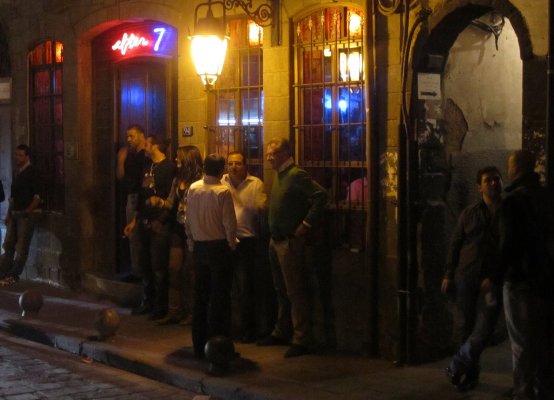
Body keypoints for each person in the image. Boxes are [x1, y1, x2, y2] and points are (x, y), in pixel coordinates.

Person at [258, 137, 328, 358]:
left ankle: (301, 338)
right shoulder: (279, 175)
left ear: (285, 154)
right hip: (275, 239)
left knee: (294, 290)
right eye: (268, 153)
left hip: (289, 241)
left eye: (273, 153)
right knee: (280, 289)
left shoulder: (296, 175)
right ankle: (282, 330)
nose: (269, 157)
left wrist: (305, 225)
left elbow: (321, 196)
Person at [494, 150, 554, 400]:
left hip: (520, 280)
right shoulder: (546, 196)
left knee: (520, 343)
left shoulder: (512, 201)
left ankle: (523, 393)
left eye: (509, 165)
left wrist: (495, 275)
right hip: (544, 279)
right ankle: (542, 390)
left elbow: (508, 244)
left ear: (516, 168)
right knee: (542, 341)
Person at [442, 166, 503, 392]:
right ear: (480, 187)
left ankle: (458, 363)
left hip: (492, 280)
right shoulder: (470, 213)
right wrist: (449, 273)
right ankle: (469, 374)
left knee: (485, 328)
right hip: (467, 277)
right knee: (466, 325)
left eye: (496, 179)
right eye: (488, 180)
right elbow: (456, 243)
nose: (493, 183)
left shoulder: (507, 212)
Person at [185, 153, 237, 358]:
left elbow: (188, 220)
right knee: (219, 297)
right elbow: (229, 224)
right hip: (219, 248)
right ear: (222, 170)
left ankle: (199, 344)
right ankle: (218, 345)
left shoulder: (193, 188)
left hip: (199, 247)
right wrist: (232, 245)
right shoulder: (222, 191)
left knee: (200, 297)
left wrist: (191, 243)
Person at [124, 134, 175, 320]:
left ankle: (160, 307)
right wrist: (134, 220)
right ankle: (147, 302)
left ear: (155, 146)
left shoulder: (169, 167)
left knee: (159, 267)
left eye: (147, 144)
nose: (144, 147)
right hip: (143, 221)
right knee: (145, 265)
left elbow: (172, 198)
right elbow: (141, 194)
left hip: (159, 224)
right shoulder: (147, 166)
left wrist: (161, 220)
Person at [154, 145, 203, 325]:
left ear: (188, 159)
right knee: (173, 269)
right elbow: (170, 202)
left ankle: (192, 312)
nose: (176, 160)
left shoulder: (200, 180)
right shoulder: (178, 179)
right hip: (178, 227)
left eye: (178, 157)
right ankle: (174, 311)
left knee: (191, 272)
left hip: (194, 229)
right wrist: (159, 203)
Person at [222, 151, 268, 343]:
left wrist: (254, 206)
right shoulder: (221, 182)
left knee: (245, 287)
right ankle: (227, 328)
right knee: (225, 287)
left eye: (238, 163)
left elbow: (262, 209)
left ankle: (248, 329)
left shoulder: (255, 184)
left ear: (245, 165)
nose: (234, 167)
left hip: (247, 241)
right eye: (231, 163)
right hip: (225, 241)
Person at [0, 145, 42, 286]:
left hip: (25, 214)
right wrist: (8, 214)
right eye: (16, 155)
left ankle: (13, 275)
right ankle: (3, 271)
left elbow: (37, 196)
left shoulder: (33, 172)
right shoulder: (17, 172)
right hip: (15, 213)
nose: (17, 158)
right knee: (9, 243)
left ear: (27, 156)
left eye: (20, 155)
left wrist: (27, 211)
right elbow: (12, 198)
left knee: (21, 247)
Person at [117, 124, 150, 282]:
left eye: (132, 136)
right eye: (127, 136)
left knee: (142, 236)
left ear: (141, 136)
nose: (129, 139)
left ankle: (143, 272)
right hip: (131, 197)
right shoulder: (129, 155)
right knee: (132, 236)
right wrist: (120, 161)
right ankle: (136, 270)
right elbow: (120, 177)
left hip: (142, 197)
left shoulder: (146, 155)